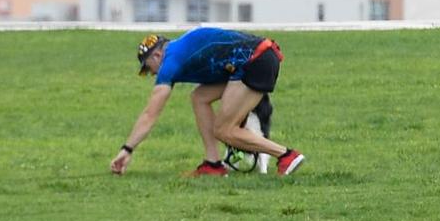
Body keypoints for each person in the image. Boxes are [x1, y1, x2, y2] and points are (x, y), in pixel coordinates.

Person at [109, 28, 304, 179]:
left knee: (224, 130)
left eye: (148, 68)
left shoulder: (170, 63)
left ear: (157, 56)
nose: (151, 73)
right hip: (256, 58)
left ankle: (286, 155)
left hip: (255, 62)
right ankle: (213, 164)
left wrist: (127, 149)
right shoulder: (179, 49)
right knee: (199, 97)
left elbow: (150, 115)